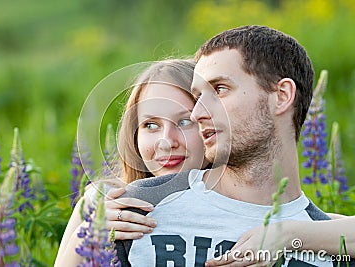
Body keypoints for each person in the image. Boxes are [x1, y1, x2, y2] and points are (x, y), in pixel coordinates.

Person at [112, 25, 353, 266]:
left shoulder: (334, 247)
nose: (197, 114)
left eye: (220, 89)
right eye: (197, 97)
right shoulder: (134, 211)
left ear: (281, 96)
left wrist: (291, 234)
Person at [54, 59, 210, 266]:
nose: (166, 141)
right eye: (151, 125)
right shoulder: (100, 199)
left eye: (185, 121)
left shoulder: (244, 200)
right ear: (134, 134)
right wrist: (90, 232)